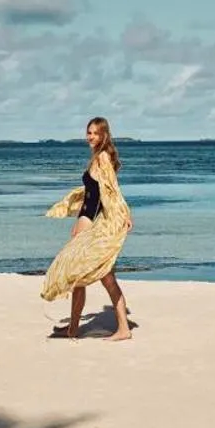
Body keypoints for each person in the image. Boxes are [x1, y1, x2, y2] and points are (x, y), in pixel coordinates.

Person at [40, 116, 134, 341]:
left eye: (94, 133)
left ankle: (123, 329)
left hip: (91, 224)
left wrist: (125, 214)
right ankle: (75, 328)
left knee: (98, 277)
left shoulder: (102, 157)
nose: (90, 136)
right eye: (88, 132)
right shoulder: (97, 157)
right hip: (88, 220)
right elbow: (94, 192)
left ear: (103, 135)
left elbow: (112, 190)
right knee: (81, 277)